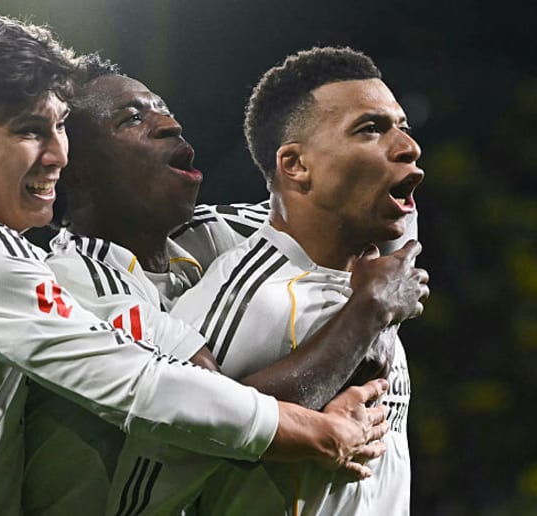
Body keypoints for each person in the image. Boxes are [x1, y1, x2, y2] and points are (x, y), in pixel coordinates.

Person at [0, 15, 390, 515]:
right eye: (29, 131)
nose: (58, 153)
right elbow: (142, 388)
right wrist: (320, 431)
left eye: (60, 124)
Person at [22, 55, 428, 515]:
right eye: (133, 118)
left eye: (161, 107)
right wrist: (366, 318)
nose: (169, 123)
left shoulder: (215, 233)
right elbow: (207, 407)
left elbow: (348, 208)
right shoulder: (79, 286)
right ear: (74, 167)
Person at [168, 46, 427, 515]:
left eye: (402, 128)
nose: (408, 146)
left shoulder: (376, 277)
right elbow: (188, 437)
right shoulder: (251, 297)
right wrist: (369, 313)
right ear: (296, 165)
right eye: (370, 129)